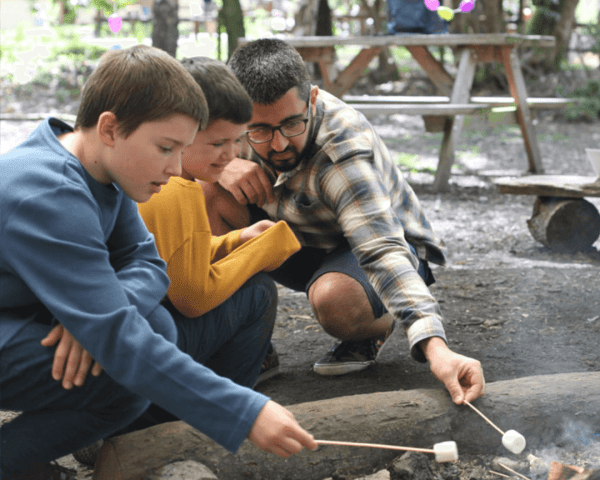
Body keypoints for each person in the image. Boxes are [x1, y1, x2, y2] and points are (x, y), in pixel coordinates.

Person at [0, 45, 316, 480]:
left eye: (182, 149)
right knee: (122, 370)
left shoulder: (100, 168)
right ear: (110, 128)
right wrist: (245, 412)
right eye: (166, 148)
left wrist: (94, 319)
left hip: (18, 315)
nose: (174, 168)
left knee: (156, 328)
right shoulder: (49, 194)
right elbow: (120, 334)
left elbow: (147, 262)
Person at [204, 38, 485, 405]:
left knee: (335, 301)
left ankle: (372, 325)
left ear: (314, 100)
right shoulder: (230, 127)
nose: (277, 146)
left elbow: (380, 247)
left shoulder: (341, 149)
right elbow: (165, 153)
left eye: (291, 124)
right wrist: (220, 166)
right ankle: (253, 342)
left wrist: (435, 348)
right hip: (297, 233)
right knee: (205, 192)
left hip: (365, 245)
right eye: (259, 131)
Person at [137, 55, 302, 400]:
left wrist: (236, 240)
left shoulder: (145, 172)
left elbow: (172, 254)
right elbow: (193, 298)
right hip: (141, 349)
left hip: (130, 340)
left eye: (238, 140)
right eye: (217, 143)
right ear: (182, 132)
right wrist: (261, 251)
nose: (232, 154)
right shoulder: (176, 190)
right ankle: (221, 406)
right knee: (258, 292)